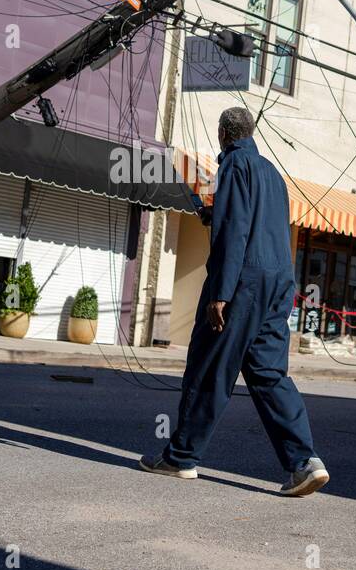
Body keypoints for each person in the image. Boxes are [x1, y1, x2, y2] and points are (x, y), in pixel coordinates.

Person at [140, 106, 328, 496]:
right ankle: (304, 462)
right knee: (270, 375)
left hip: (243, 282)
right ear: (250, 132)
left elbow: (235, 230)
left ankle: (181, 457)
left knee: (210, 366)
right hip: (278, 282)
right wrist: (216, 214)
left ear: (224, 134)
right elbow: (257, 224)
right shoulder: (274, 174)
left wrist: (221, 293)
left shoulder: (234, 167)